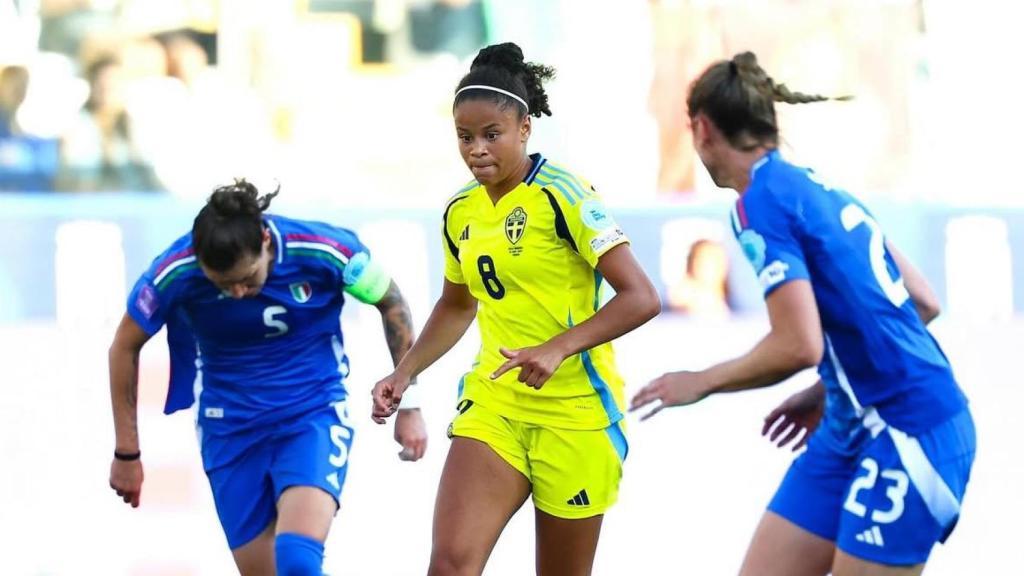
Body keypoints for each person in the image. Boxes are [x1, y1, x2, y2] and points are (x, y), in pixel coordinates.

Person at [631, 52, 975, 576]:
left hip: (911, 429)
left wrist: (697, 381)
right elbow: (923, 301)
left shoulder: (759, 203)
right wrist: (829, 387)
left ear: (701, 128)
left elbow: (798, 345)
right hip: (850, 420)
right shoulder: (816, 186)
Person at [371, 43, 660, 576]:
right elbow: (457, 307)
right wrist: (404, 373)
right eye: (464, 137)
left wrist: (557, 348)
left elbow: (642, 297)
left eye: (491, 135)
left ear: (525, 128)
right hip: (495, 403)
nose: (476, 149)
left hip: (575, 414)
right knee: (451, 564)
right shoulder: (460, 210)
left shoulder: (566, 195)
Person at [107, 179, 427, 575]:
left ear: (264, 240)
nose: (239, 292)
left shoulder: (324, 249)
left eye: (248, 278)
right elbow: (123, 346)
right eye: (223, 285)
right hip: (229, 430)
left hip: (311, 415)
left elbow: (391, 300)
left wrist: (409, 403)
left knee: (296, 562)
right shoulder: (176, 270)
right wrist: (127, 453)